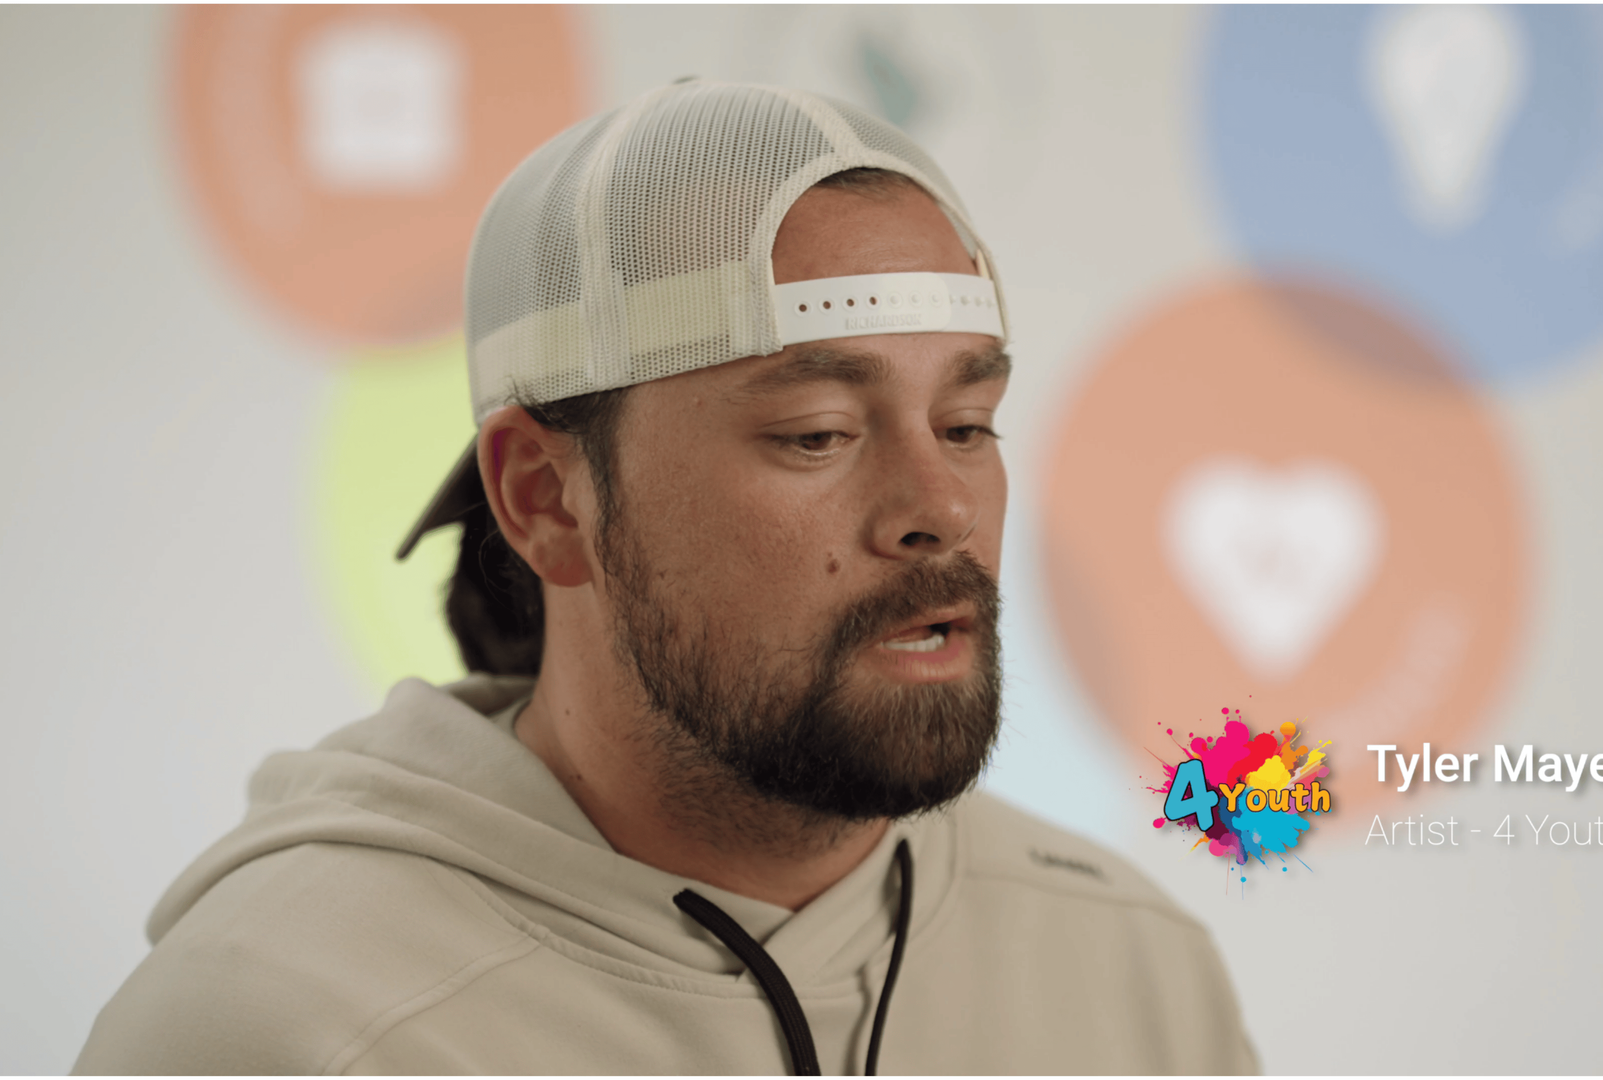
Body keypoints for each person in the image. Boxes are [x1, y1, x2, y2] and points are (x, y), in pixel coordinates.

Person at [75, 80, 1256, 1075]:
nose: (941, 510)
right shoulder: (279, 1028)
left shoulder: (1134, 971)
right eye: (816, 433)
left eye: (966, 422)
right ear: (546, 498)